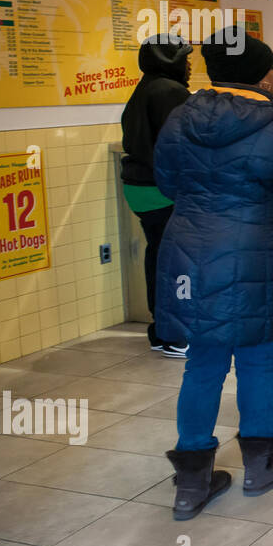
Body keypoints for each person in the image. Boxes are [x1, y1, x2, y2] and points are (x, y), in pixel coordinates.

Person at [154, 33, 273, 521]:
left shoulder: (180, 119)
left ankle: (191, 483)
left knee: (202, 364)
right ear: (266, 77)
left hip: (190, 249)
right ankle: (259, 466)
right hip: (257, 253)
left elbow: (166, 181)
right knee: (259, 362)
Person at [119, 34, 192, 358]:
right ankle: (175, 334)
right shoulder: (170, 92)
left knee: (159, 255)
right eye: (184, 57)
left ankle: (160, 330)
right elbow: (181, 144)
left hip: (139, 187)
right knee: (176, 262)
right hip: (162, 189)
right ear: (169, 60)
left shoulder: (145, 87)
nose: (190, 64)